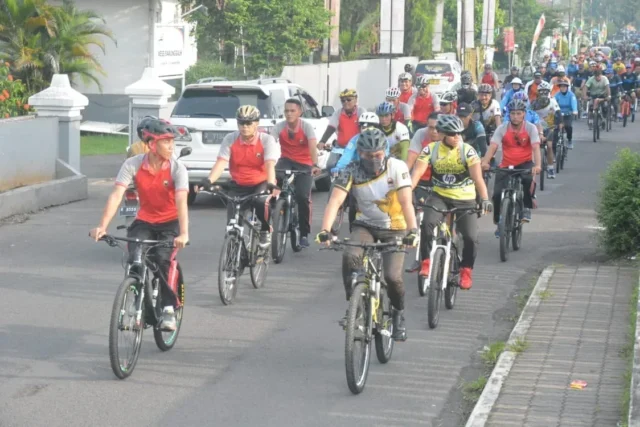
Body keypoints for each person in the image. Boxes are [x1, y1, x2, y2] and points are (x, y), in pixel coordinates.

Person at [316, 128, 418, 341]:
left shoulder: (397, 167)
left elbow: (407, 202)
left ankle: (399, 315)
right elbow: (335, 201)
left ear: (385, 151)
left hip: (396, 228)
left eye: (378, 155)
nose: (373, 159)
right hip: (365, 225)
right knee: (350, 255)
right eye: (367, 155)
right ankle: (354, 304)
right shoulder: (351, 170)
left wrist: (413, 231)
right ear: (359, 153)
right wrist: (325, 230)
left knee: (392, 277)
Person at [89, 117, 190, 331]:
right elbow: (117, 195)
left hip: (170, 223)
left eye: (173, 141)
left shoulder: (177, 169)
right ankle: (135, 303)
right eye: (166, 141)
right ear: (152, 144)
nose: (171, 146)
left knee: (163, 260)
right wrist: (102, 226)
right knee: (134, 259)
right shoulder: (132, 164)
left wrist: (183, 233)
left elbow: (181, 201)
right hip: (144, 221)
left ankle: (169, 309)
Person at [410, 115, 492, 289]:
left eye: (459, 133)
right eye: (452, 134)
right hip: (440, 196)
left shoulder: (467, 151)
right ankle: (425, 261)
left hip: (465, 199)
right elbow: (416, 175)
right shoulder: (430, 150)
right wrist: (405, 193)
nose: (457, 137)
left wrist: (485, 199)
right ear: (441, 135)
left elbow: (478, 179)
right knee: (427, 224)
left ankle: (466, 271)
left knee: (470, 237)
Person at [202, 105, 280, 248]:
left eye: (249, 123)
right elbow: (221, 162)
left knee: (262, 203)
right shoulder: (230, 139)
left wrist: (270, 182)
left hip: (261, 182)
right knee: (232, 223)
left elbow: (269, 164)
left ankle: (264, 230)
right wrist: (209, 180)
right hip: (238, 184)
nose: (245, 127)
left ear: (257, 123)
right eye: (241, 123)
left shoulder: (266, 140)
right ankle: (236, 252)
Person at [481, 99, 542, 227]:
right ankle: (498, 221)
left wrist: (537, 165)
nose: (515, 117)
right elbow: (493, 147)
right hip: (506, 165)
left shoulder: (531, 128)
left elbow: (536, 148)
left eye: (519, 113)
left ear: (524, 114)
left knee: (527, 181)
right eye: (513, 113)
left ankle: (526, 208)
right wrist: (485, 162)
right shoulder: (502, 128)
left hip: (525, 163)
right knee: (497, 194)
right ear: (509, 114)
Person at [270, 98, 320, 247]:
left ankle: (304, 233)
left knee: (302, 197)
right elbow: (270, 144)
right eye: (286, 111)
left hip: (304, 164)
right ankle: (274, 214)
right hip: (285, 160)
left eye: (292, 111)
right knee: (271, 185)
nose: (289, 113)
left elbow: (312, 147)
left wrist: (315, 164)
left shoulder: (306, 127)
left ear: (300, 112)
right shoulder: (279, 127)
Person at [530, 81, 561, 179]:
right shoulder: (534, 103)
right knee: (533, 146)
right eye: (541, 92)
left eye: (545, 91)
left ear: (549, 92)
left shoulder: (552, 101)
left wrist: (559, 123)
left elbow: (558, 113)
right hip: (537, 127)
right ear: (538, 92)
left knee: (549, 146)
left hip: (549, 127)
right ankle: (531, 165)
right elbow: (528, 114)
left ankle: (551, 168)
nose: (543, 93)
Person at [554, 80, 578, 149]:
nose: (563, 88)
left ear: (567, 87)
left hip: (568, 113)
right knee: (555, 127)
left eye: (564, 86)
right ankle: (555, 140)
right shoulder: (557, 95)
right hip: (559, 113)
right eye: (561, 86)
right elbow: (553, 103)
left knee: (568, 126)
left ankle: (569, 140)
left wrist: (575, 110)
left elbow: (574, 103)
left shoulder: (571, 95)